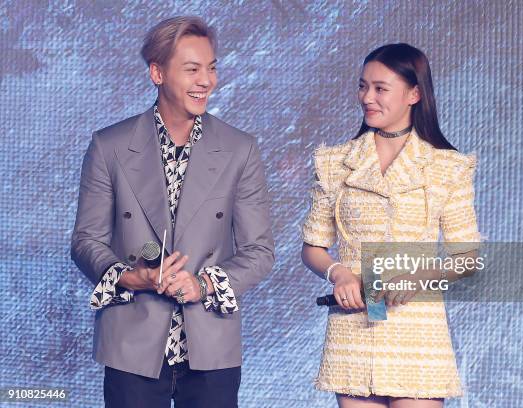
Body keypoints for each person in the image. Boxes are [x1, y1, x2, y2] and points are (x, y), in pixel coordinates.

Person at [71, 16, 274, 408]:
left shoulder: (239, 149)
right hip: (132, 344)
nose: (207, 80)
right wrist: (134, 277)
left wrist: (205, 285)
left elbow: (260, 251)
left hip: (211, 347)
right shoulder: (110, 146)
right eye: (192, 69)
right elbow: (85, 241)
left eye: (211, 68)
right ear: (157, 72)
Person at [301, 43, 481, 408]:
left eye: (380, 88)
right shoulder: (335, 163)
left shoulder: (448, 167)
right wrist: (339, 274)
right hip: (353, 327)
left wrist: (417, 278)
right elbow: (312, 248)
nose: (368, 97)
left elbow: (467, 257)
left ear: (414, 93)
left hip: (417, 331)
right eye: (362, 86)